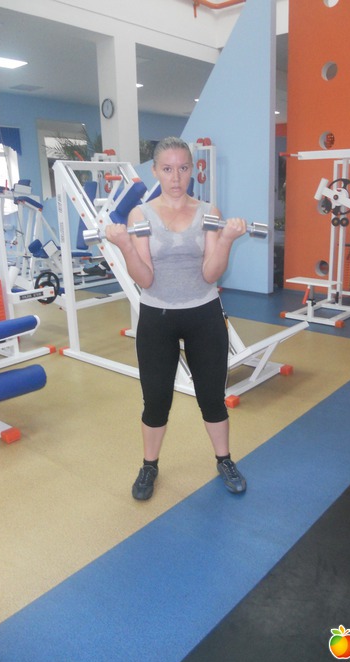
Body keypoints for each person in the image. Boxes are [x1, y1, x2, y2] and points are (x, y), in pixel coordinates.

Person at [105, 136, 248, 500]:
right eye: (167, 169)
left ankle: (225, 460)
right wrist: (125, 246)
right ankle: (149, 466)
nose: (176, 177)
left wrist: (227, 239)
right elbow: (145, 278)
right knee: (156, 400)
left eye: (183, 168)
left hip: (204, 314)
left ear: (192, 170)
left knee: (212, 396)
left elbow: (210, 273)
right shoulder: (141, 216)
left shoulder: (208, 211)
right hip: (158, 317)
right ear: (155, 171)